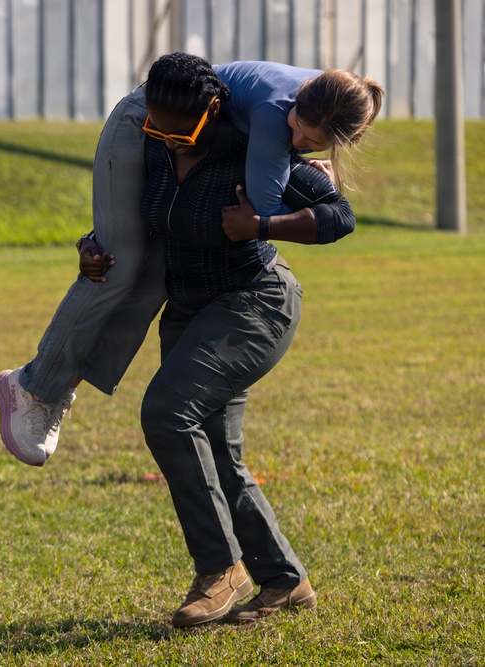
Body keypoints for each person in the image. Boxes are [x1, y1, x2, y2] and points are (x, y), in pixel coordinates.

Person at [0, 58, 382, 466]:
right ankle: (35, 387)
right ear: (299, 98)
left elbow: (328, 212)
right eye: (296, 126)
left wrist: (299, 186)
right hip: (161, 105)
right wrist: (95, 238)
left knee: (149, 283)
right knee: (117, 264)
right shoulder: (259, 116)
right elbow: (263, 204)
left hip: (190, 118)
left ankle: (53, 389)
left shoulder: (314, 107)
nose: (296, 138)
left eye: (310, 141)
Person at [127, 52, 357, 627]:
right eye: (158, 127)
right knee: (213, 448)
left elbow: (340, 215)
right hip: (187, 308)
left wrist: (262, 225)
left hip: (254, 302)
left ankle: (220, 570)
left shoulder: (254, 144)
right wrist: (94, 247)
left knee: (166, 413)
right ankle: (284, 580)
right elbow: (138, 219)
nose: (169, 138)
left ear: (213, 111)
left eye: (181, 130)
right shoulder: (155, 148)